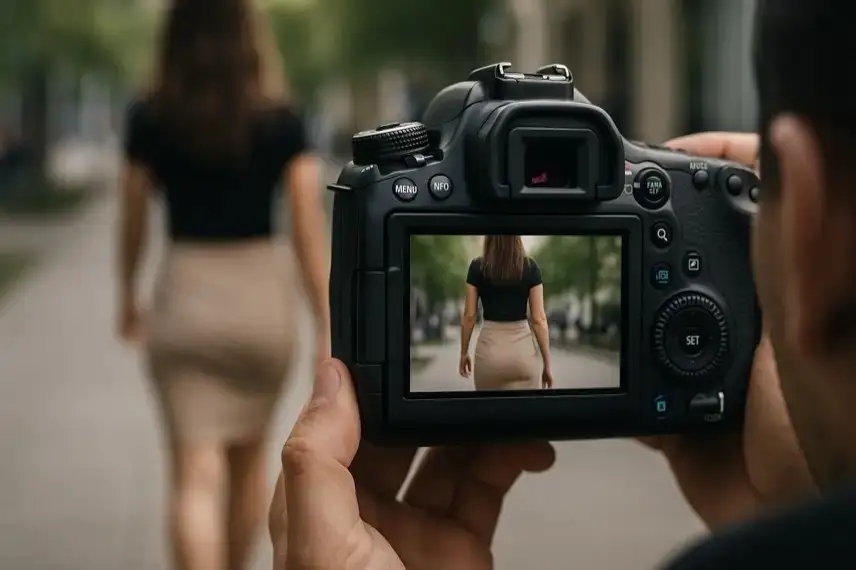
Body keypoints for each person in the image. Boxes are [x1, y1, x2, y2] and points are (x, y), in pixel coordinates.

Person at [269, 0, 856, 567]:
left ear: (808, 219)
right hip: (525, 356)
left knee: (483, 429)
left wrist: (468, 358)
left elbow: (469, 320)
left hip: (492, 358)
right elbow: (541, 321)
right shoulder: (531, 270)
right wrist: (796, 517)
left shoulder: (478, 268)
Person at [115, 1, 330, 569]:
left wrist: (127, 295)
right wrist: (325, 320)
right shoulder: (282, 118)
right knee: (249, 464)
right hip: (261, 303)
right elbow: (308, 227)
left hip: (185, 297)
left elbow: (133, 219)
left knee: (192, 476)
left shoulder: (150, 117)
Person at [459, 235, 553, 390]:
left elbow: (469, 316)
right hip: (522, 357)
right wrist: (547, 364)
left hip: (489, 355)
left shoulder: (477, 267)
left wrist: (464, 353)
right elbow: (539, 319)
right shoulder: (530, 267)